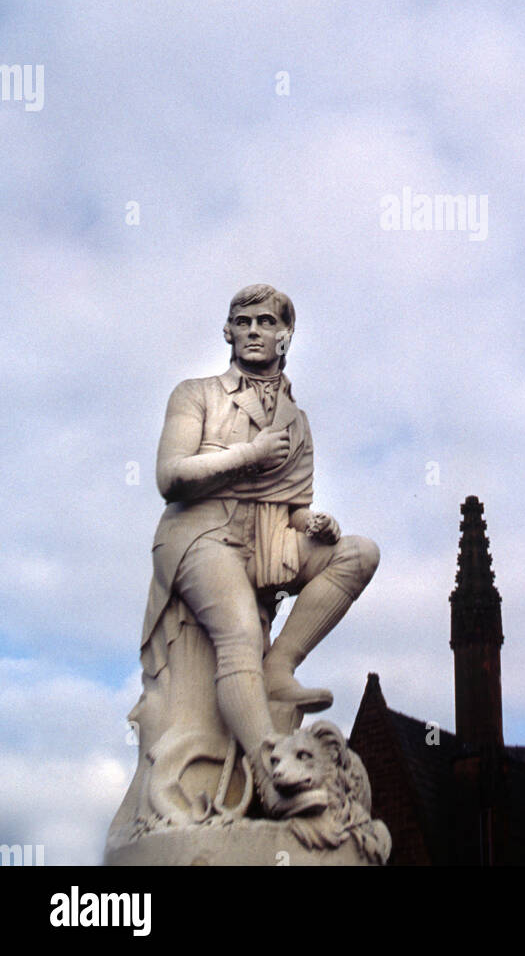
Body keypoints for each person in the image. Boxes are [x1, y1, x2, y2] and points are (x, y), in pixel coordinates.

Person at [139, 283, 379, 813]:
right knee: (241, 631)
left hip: (267, 538)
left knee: (359, 553)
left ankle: (281, 668)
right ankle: (270, 779)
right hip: (199, 531)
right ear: (228, 332)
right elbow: (171, 477)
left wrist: (311, 521)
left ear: (284, 336)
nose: (254, 331)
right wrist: (247, 454)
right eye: (243, 322)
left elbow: (291, 500)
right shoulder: (195, 393)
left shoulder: (297, 419)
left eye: (266, 322)